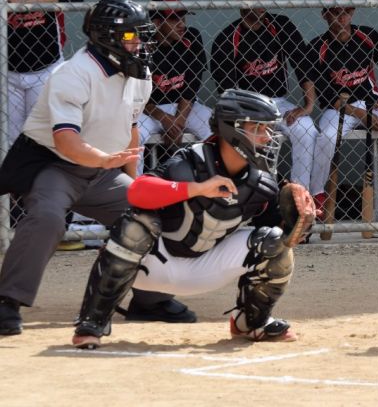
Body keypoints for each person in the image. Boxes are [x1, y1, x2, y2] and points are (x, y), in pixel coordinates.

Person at [0, 0, 193, 336]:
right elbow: (66, 142)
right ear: (108, 38)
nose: (142, 44)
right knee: (47, 218)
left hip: (103, 170)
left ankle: (150, 300)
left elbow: (131, 129)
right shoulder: (74, 74)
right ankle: (7, 302)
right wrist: (104, 160)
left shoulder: (139, 73)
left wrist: (137, 187)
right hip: (55, 166)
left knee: (153, 215)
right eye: (133, 35)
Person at [70, 89, 312, 349]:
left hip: (205, 269)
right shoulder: (189, 162)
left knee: (273, 242)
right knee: (136, 224)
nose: (267, 137)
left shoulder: (261, 182)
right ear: (232, 130)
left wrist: (300, 219)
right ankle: (92, 322)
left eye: (268, 129)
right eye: (258, 128)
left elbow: (283, 237)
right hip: (155, 265)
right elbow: (137, 191)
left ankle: (251, 323)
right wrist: (197, 189)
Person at [210, 0, 317, 190]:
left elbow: (302, 63)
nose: (261, 3)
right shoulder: (228, 38)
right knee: (248, 141)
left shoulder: (281, 25)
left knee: (307, 130)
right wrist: (250, 116)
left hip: (279, 102)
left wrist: (308, 105)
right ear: (241, 0)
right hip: (247, 106)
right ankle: (253, 197)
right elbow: (228, 91)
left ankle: (299, 196)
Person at [308, 0, 378, 207]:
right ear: (324, 14)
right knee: (327, 138)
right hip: (339, 108)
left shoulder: (367, 36)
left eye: (347, 11)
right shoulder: (316, 47)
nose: (342, 17)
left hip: (372, 103)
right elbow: (328, 94)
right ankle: (316, 195)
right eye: (336, 11)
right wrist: (360, 114)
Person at [5, 0, 85, 147]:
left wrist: (27, 4)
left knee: (45, 136)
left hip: (46, 68)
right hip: (8, 73)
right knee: (10, 139)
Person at [135, 0, 213, 175]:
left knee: (216, 127)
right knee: (134, 134)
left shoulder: (191, 38)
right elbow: (135, 95)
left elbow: (192, 84)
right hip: (148, 110)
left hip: (184, 107)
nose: (182, 24)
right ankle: (133, 191)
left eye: (182, 17)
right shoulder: (140, 44)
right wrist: (166, 120)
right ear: (156, 22)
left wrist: (178, 121)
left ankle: (218, 187)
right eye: (173, 19)